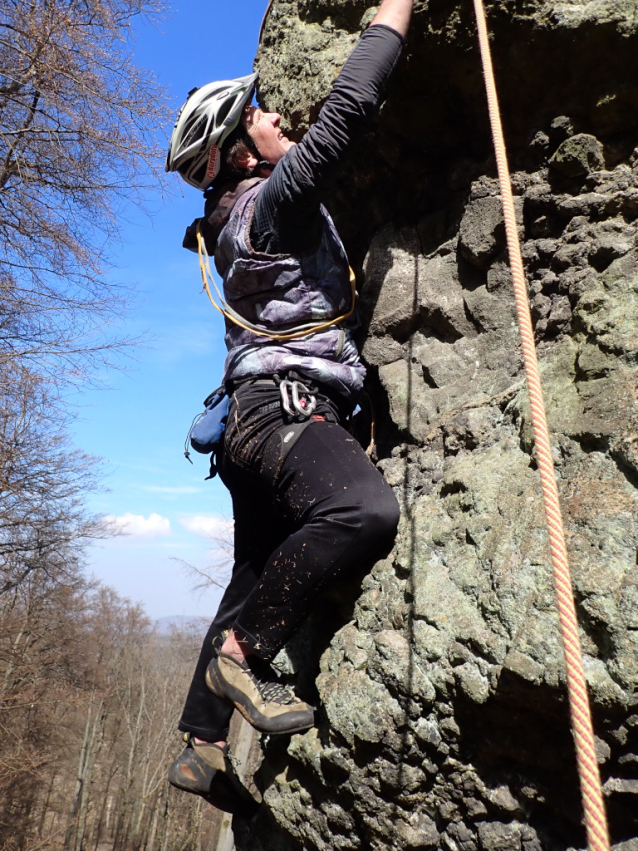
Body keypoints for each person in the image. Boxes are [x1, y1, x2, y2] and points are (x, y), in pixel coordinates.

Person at [164, 0, 414, 817]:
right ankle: (243, 653)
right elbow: (345, 115)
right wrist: (395, 13)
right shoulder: (269, 205)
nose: (277, 119)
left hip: (246, 424)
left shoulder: (226, 223)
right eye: (261, 116)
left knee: (250, 569)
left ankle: (200, 744)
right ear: (239, 148)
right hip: (284, 410)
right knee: (362, 509)